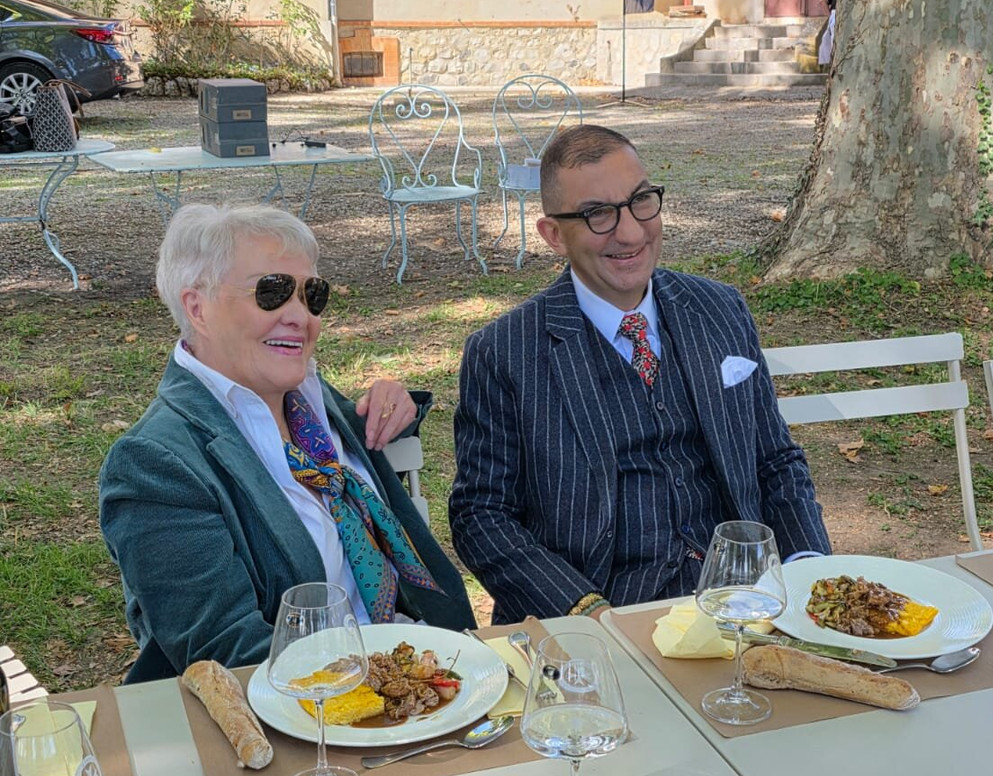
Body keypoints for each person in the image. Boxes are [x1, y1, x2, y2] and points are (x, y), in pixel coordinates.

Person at [450, 125, 831, 624]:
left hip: (740, 603)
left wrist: (808, 572)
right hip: (599, 615)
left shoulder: (720, 309)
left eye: (640, 201)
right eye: (597, 214)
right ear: (554, 235)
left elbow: (776, 459)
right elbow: (481, 515)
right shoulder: (503, 352)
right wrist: (584, 612)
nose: (630, 233)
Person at [100, 204, 475, 683]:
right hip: (309, 702)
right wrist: (396, 687)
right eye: (271, 291)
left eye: (312, 295)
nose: (300, 316)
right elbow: (229, 653)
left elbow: (359, 491)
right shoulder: (155, 464)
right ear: (198, 308)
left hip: (431, 661)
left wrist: (395, 406)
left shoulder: (310, 405)